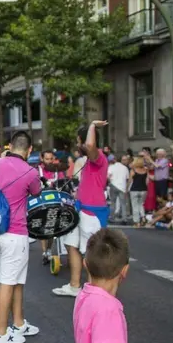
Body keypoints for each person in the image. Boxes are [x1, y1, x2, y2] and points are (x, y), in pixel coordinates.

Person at [0, 131, 42, 343]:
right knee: (8, 281)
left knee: (16, 278)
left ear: (9, 145)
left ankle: (18, 323)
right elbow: (37, 193)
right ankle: (0, 333)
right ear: (29, 150)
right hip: (15, 232)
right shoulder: (30, 171)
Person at [54, 121, 110, 298]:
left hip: (92, 212)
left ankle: (96, 290)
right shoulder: (87, 161)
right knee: (71, 245)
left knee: (91, 253)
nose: (78, 145)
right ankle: (74, 285)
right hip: (80, 209)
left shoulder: (98, 157)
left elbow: (91, 145)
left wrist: (92, 125)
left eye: (80, 141)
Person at [107, 155, 131, 224]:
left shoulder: (111, 167)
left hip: (113, 185)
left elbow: (108, 176)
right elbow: (127, 178)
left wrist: (110, 181)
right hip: (122, 187)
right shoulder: (125, 168)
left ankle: (112, 217)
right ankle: (124, 219)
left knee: (113, 203)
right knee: (123, 203)